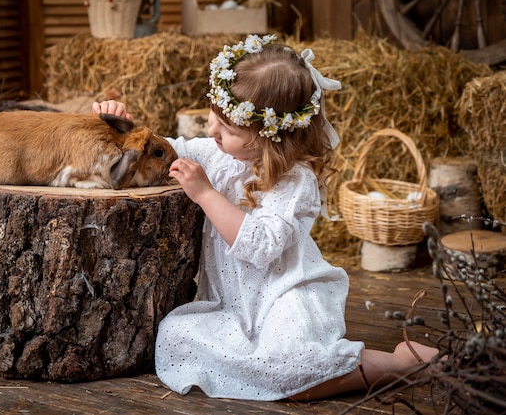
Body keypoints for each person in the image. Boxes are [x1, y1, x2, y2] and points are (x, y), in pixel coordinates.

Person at [93, 34, 437, 401]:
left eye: (228, 129)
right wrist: (123, 125)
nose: (211, 131)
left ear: (269, 137)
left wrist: (206, 194)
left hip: (286, 294)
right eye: (214, 116)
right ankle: (311, 367)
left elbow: (259, 246)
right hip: (235, 305)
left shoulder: (293, 181)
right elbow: (163, 152)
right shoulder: (216, 152)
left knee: (290, 368)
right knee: (175, 339)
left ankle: (399, 364)